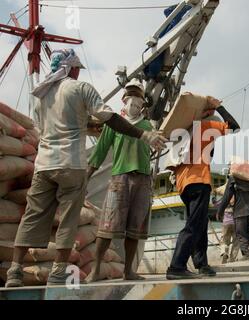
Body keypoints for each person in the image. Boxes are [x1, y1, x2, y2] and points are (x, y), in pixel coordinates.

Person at [5, 49, 167, 288]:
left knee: (32, 216)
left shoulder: (39, 94)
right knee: (69, 218)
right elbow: (108, 118)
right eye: (77, 68)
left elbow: (42, 128)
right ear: (71, 68)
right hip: (71, 164)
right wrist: (143, 134)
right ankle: (59, 272)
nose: (79, 71)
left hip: (43, 166)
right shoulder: (80, 89)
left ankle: (15, 270)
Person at [85, 79, 164, 282]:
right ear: (124, 100)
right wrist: (86, 176)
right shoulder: (114, 125)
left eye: (139, 101)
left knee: (135, 229)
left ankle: (128, 271)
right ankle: (95, 270)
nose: (135, 104)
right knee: (107, 226)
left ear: (143, 105)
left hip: (144, 180)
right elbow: (100, 150)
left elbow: (156, 149)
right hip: (120, 177)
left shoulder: (148, 126)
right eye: (132, 99)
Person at [165, 97, 240, 280]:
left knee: (199, 223)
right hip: (199, 181)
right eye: (212, 113)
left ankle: (202, 264)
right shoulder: (205, 127)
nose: (215, 116)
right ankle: (177, 266)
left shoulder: (184, 133)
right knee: (193, 225)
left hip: (184, 184)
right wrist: (219, 106)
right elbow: (234, 127)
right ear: (206, 113)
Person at [217, 167, 249, 261]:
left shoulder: (233, 179)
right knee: (248, 232)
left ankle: (246, 254)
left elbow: (227, 196)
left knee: (241, 234)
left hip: (240, 211)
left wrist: (220, 211)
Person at [217, 196, 239, 263]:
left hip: (226, 223)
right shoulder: (237, 200)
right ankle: (232, 258)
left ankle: (224, 253)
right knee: (236, 242)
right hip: (236, 224)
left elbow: (216, 204)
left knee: (224, 241)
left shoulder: (224, 201)